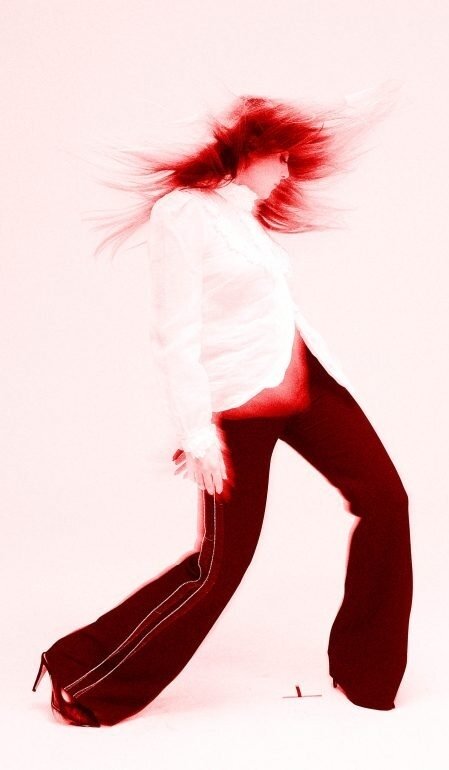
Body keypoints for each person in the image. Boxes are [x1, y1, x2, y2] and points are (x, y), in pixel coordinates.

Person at [32, 89, 413, 726]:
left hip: (308, 385)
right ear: (251, 151)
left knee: (387, 499)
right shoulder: (184, 213)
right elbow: (175, 332)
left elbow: (269, 312)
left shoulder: (247, 220)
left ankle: (365, 671)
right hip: (238, 404)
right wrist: (197, 433)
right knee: (221, 567)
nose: (288, 171)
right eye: (282, 158)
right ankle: (86, 673)